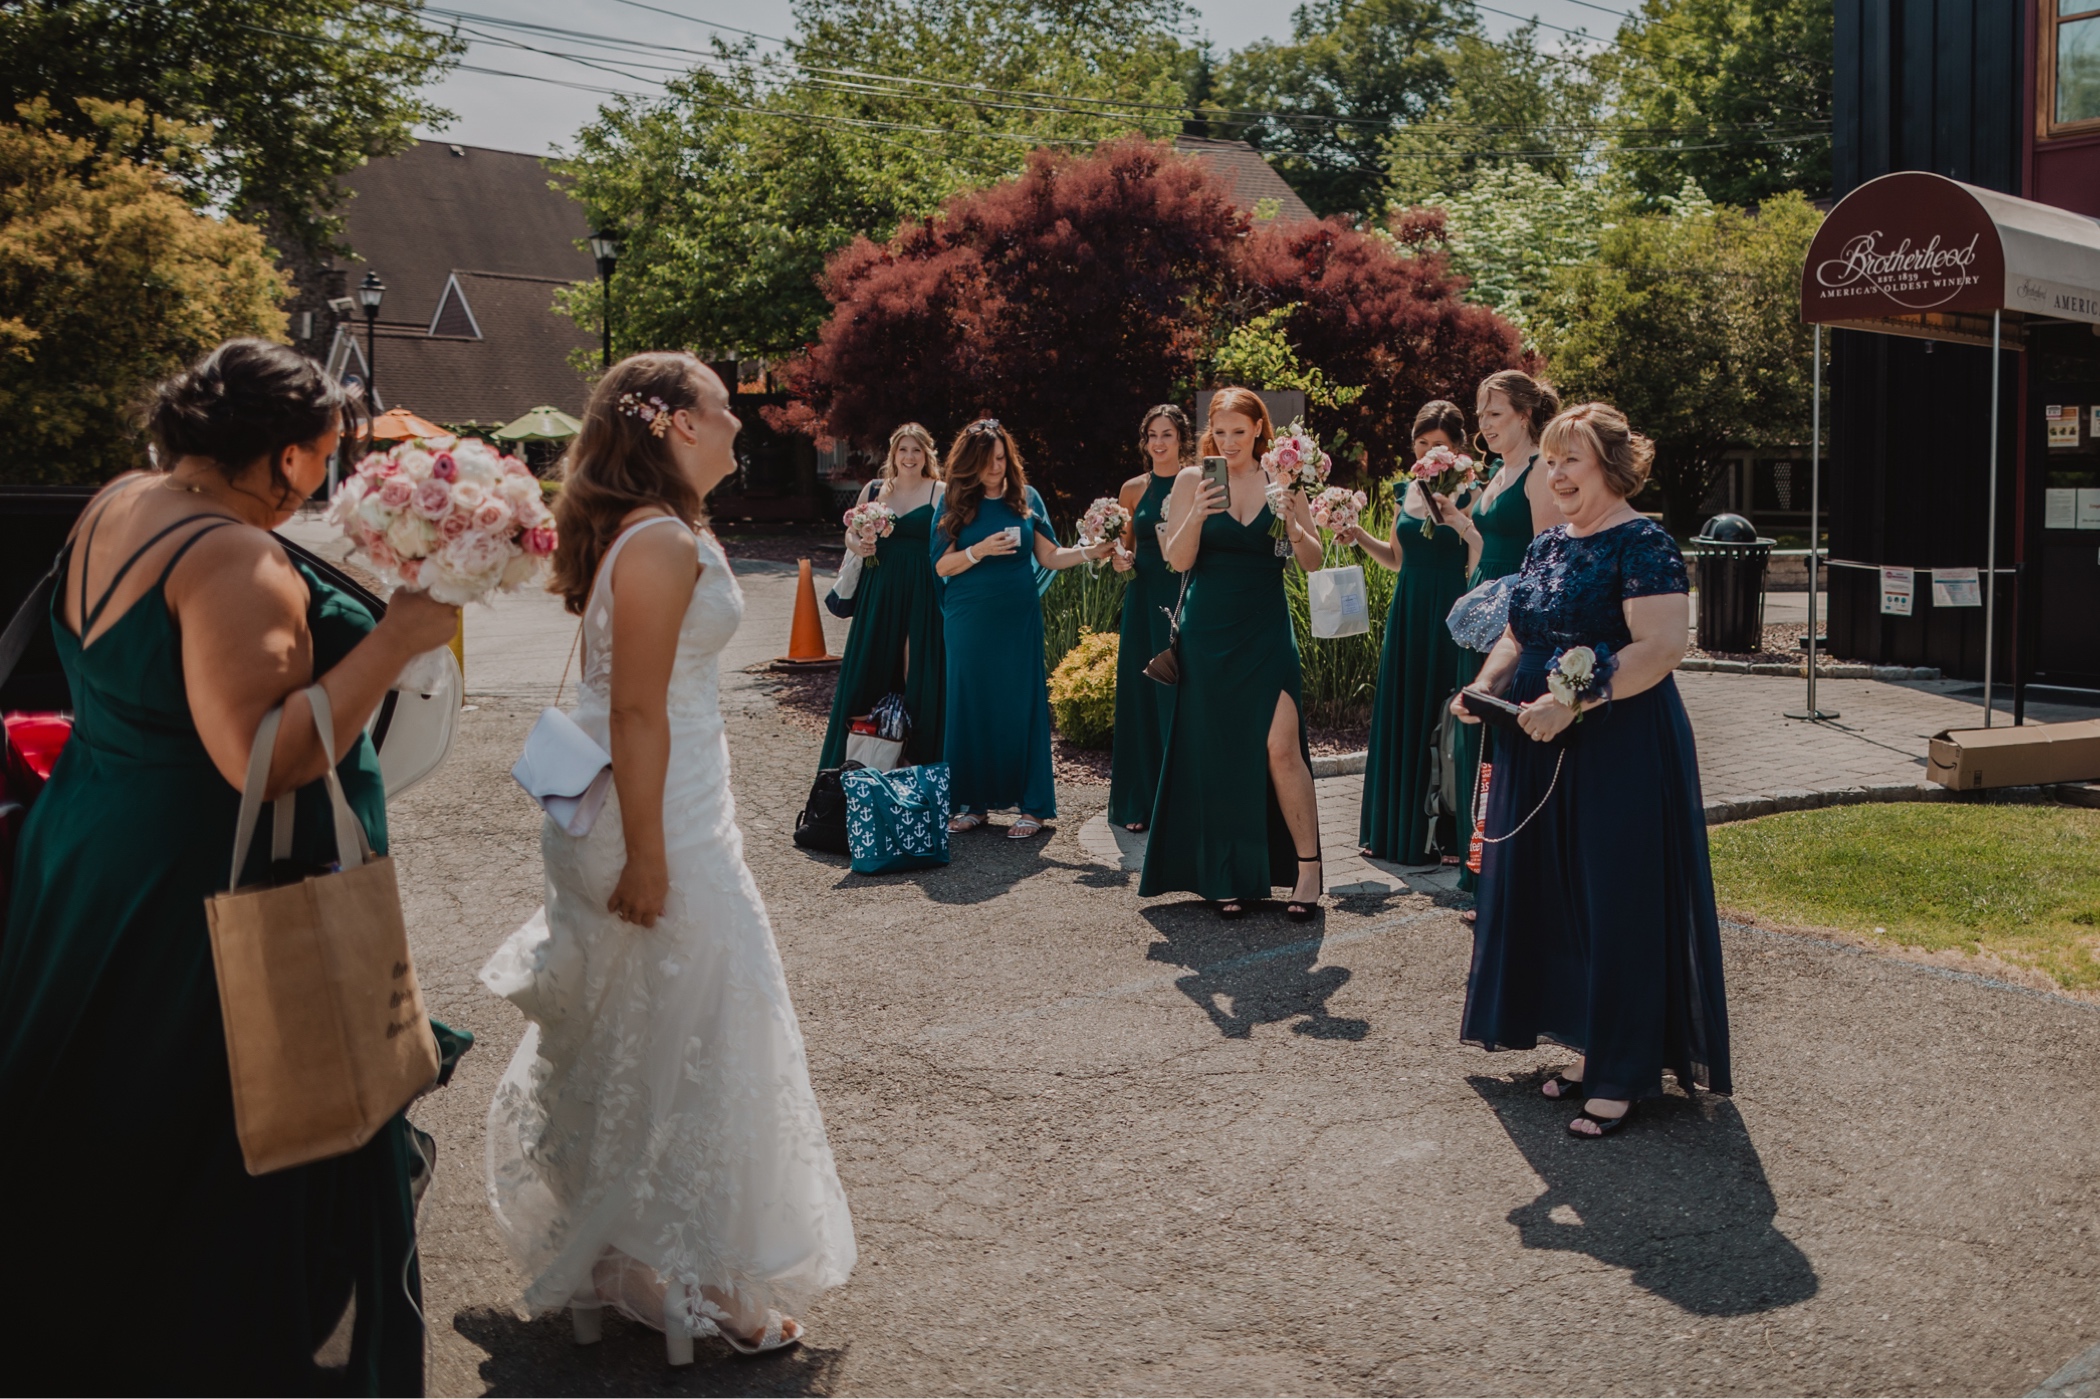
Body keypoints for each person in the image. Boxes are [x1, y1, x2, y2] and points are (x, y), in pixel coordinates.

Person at [0, 339, 466, 1391]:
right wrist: (394, 644)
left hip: (86, 850)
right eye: (325, 456)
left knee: (90, 1104)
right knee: (222, 1132)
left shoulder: (121, 502)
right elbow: (264, 755)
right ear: (292, 458)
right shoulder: (232, 559)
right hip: (191, 893)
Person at [481, 352, 856, 1360]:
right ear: (678, 426)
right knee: (696, 1028)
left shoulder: (659, 532)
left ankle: (638, 1255)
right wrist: (648, 857)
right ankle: (679, 1275)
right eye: (727, 408)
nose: (744, 424)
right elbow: (638, 708)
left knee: (656, 1030)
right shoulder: (657, 542)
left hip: (675, 807)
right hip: (656, 825)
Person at [1453, 402, 1731, 1138]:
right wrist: (1486, 686)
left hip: (1620, 741)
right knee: (1565, 895)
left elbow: (1661, 645)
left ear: (1611, 463)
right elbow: (1517, 631)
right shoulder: (1548, 545)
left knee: (1619, 897)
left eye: (1570, 458)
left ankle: (1624, 1070)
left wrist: (1572, 701)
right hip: (1538, 740)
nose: (1557, 473)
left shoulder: (1643, 541)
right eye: (1550, 459)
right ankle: (1590, 1044)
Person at [1139, 387, 1328, 920]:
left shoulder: (1284, 480)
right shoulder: (1192, 480)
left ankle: (1307, 869)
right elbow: (1178, 562)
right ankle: (1223, 874)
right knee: (1217, 751)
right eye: (1219, 433)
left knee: (1280, 747)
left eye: (1238, 433)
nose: (1228, 443)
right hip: (1208, 632)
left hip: (1267, 630)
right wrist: (1195, 514)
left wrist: (1292, 521)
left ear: (1260, 430)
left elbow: (1312, 561)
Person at [932, 419, 1108, 839]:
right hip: (969, 619)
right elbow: (942, 565)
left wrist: (1091, 551)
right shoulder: (955, 503)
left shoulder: (1026, 499)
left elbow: (1050, 556)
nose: (996, 468)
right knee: (970, 704)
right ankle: (971, 804)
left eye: (1001, 459)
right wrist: (980, 549)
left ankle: (1032, 807)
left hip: (1018, 618)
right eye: (988, 461)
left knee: (1020, 703)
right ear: (970, 463)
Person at [1347, 399, 1482, 864]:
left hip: (1449, 611)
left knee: (1440, 717)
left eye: (1438, 445)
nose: (1428, 452)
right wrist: (1357, 536)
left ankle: (1443, 832)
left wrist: (1459, 521)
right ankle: (1390, 828)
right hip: (1407, 611)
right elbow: (1397, 558)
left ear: (1459, 449)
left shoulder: (1474, 494)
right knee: (1403, 710)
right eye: (1421, 443)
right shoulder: (1407, 490)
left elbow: (1478, 560)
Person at [1452, 369, 1561, 900]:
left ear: (1524, 414)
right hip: (1481, 619)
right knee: (1474, 749)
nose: (1485, 424)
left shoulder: (1540, 471)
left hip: (1514, 624)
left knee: (1499, 752)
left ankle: (1500, 876)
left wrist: (1507, 612)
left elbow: (1547, 558)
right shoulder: (1497, 470)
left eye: (1495, 414)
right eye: (1481, 414)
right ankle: (1477, 868)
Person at [819, 422, 945, 769]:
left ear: (926, 455)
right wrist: (859, 543)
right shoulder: (875, 490)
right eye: (903, 450)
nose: (909, 457)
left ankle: (919, 763)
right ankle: (855, 761)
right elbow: (849, 535)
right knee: (870, 666)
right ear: (893, 454)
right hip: (879, 588)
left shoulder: (940, 492)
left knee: (917, 670)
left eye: (916, 450)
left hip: (922, 589)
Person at [1107, 404, 1192, 831]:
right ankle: (1139, 803)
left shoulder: (1196, 483)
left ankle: (1181, 803)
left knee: (1179, 697)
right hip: (1142, 600)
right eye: (1152, 435)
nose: (1159, 443)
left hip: (1183, 598)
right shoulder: (1132, 490)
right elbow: (1124, 547)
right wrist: (1119, 560)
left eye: (1167, 435)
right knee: (1141, 699)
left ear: (1182, 441)